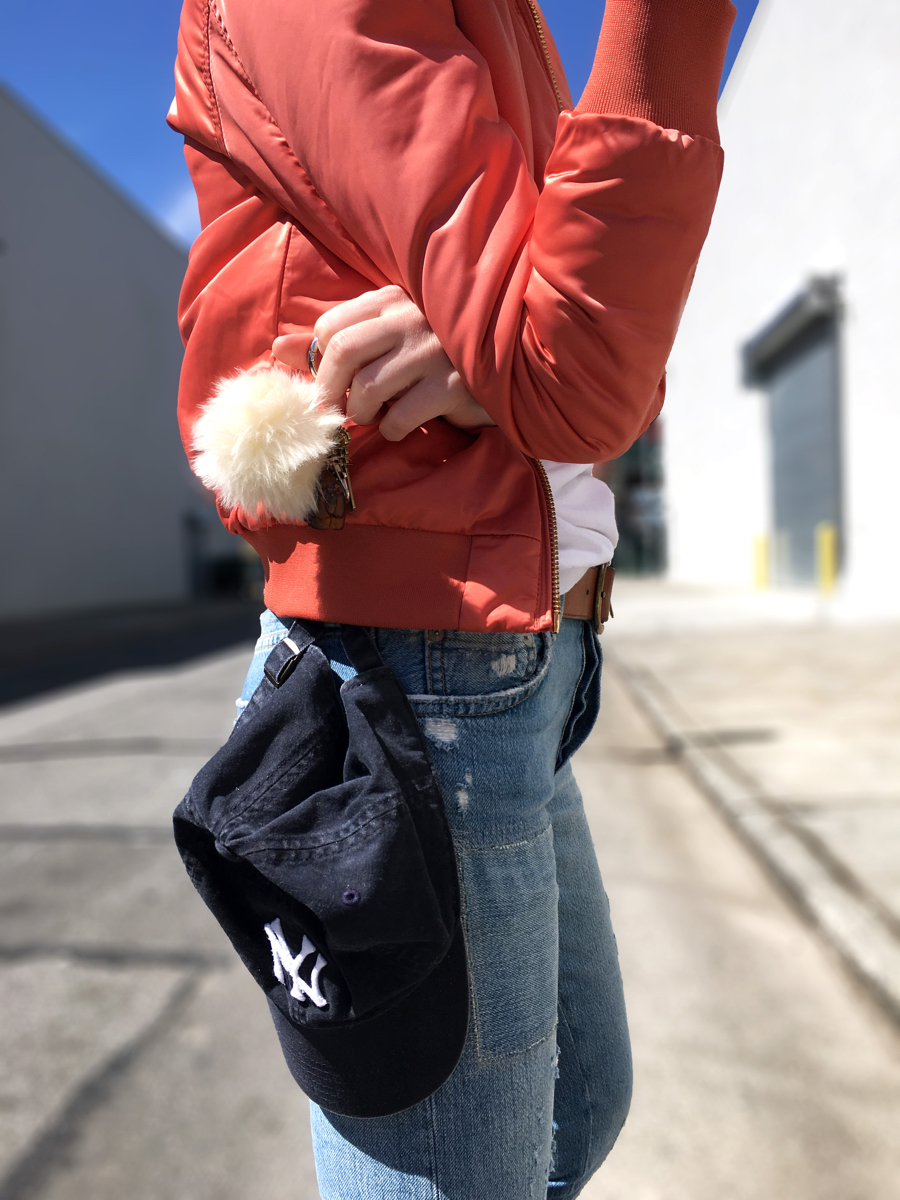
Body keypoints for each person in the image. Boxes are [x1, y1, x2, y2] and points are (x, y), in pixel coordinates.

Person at [168, 0, 735, 1195]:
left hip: (528, 661)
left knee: (580, 1110)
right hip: (423, 669)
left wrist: (528, 359)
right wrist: (533, 358)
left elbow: (610, 371)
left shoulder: (503, 24)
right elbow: (579, 366)